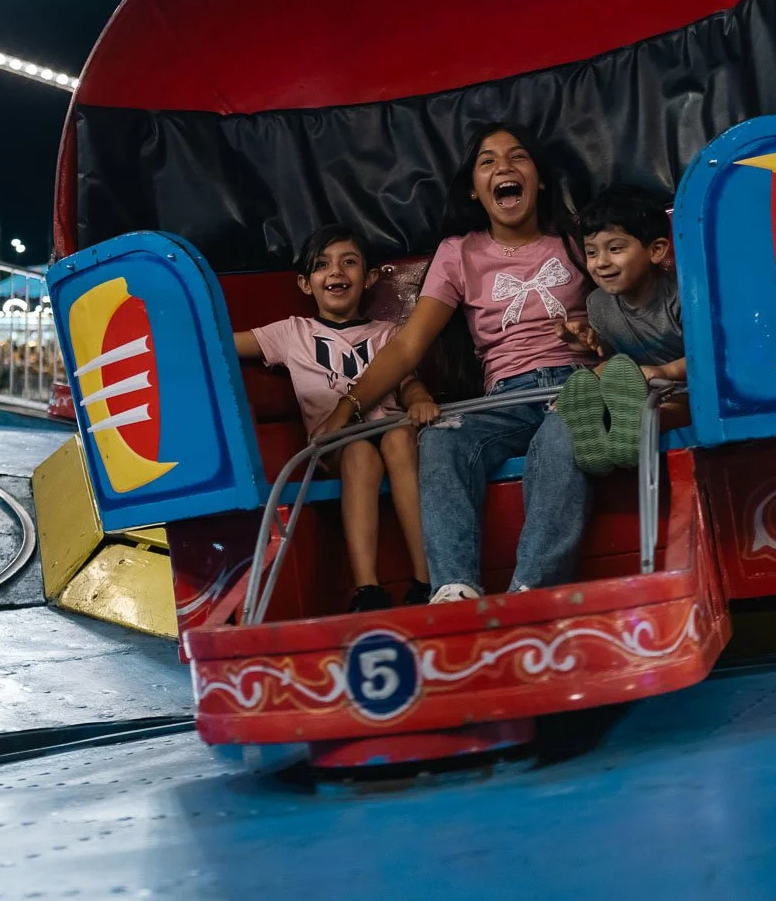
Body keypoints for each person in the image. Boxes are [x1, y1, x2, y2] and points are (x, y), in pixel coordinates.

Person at [312, 124, 595, 603]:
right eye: (488, 161)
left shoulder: (573, 241)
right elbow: (406, 347)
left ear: (540, 179)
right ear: (473, 188)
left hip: (578, 386)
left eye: (517, 157)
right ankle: (454, 589)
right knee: (441, 439)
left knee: (564, 432)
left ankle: (532, 592)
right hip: (507, 395)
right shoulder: (458, 252)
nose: (504, 167)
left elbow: (624, 302)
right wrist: (347, 408)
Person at [235, 224, 438, 611]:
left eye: (349, 263)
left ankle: (426, 581)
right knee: (361, 452)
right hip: (337, 446)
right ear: (305, 283)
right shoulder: (292, 332)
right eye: (322, 265)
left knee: (398, 439)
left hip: (393, 434)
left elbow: (408, 382)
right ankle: (368, 589)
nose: (336, 272)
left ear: (371, 277)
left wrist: (420, 398)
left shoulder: (389, 333)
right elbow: (223, 342)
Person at [562, 186, 687, 384]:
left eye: (615, 248)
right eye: (591, 252)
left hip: (695, 392)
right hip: (645, 393)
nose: (601, 262)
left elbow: (712, 354)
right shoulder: (598, 304)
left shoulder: (682, 297)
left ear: (656, 250)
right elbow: (614, 354)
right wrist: (591, 342)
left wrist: (666, 371)